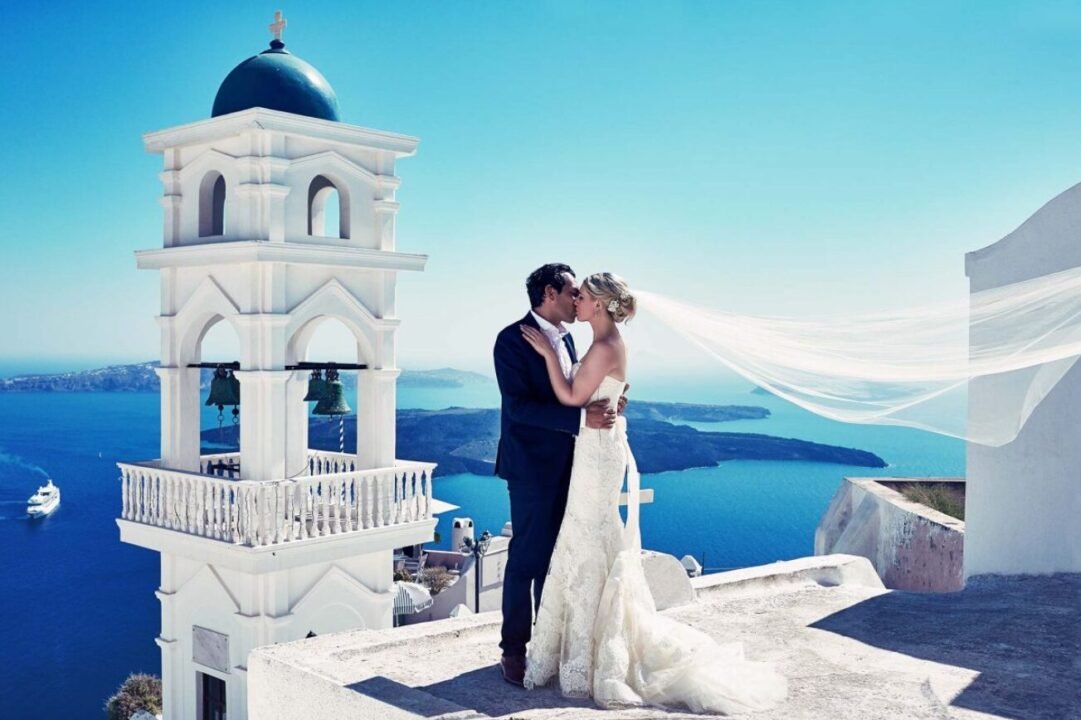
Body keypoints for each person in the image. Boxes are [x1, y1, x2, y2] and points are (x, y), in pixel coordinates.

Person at [518, 271, 788, 714]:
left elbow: (570, 396)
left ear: (601, 305)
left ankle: (588, 656)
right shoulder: (609, 343)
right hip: (597, 450)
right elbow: (603, 393)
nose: (578, 303)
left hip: (597, 453)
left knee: (587, 537)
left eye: (583, 297)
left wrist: (548, 353)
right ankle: (582, 649)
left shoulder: (605, 346)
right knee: (591, 538)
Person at [492, 263, 627, 687]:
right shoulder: (512, 340)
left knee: (558, 559)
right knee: (527, 559)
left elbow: (584, 387)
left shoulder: (569, 337)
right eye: (572, 291)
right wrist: (581, 420)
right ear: (550, 293)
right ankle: (513, 650)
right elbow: (518, 408)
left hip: (576, 465)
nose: (576, 299)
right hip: (531, 468)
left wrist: (613, 401)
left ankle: (549, 650)